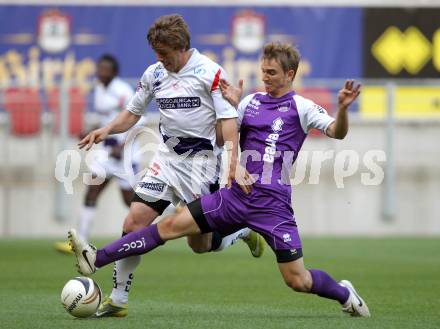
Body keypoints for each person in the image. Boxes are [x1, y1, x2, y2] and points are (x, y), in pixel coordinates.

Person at [69, 41, 371, 317]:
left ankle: (344, 293)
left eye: (272, 72)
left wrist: (343, 109)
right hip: (234, 195)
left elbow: (337, 132)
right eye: (262, 70)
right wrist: (229, 109)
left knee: (298, 280)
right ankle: (96, 258)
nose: (264, 77)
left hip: (273, 207)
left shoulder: (302, 107)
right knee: (169, 226)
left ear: (290, 73)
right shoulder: (250, 102)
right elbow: (222, 134)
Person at [76, 14, 265, 317]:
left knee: (200, 246)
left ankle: (240, 232)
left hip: (201, 168)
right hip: (165, 161)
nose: (159, 59)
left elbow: (228, 122)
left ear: (180, 48)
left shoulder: (211, 73)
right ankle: (118, 299)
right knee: (133, 223)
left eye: (164, 53)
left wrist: (233, 164)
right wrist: (106, 130)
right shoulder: (154, 74)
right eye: (156, 53)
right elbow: (132, 112)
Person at [55, 54, 139, 253]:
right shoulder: (100, 90)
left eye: (105, 69)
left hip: (125, 154)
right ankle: (80, 243)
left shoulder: (123, 91)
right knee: (91, 192)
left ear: (114, 72)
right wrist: (91, 131)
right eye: (99, 68)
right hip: (107, 153)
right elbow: (106, 120)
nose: (100, 72)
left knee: (129, 200)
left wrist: (123, 146)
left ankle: (168, 210)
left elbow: (138, 121)